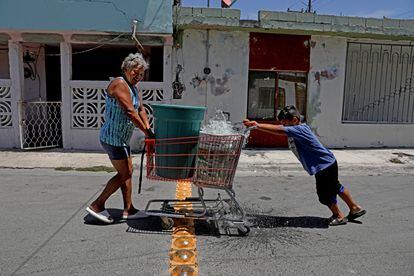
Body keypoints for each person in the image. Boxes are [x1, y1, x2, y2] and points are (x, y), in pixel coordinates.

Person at [243, 105, 366, 226]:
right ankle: (355, 208)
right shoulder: (299, 129)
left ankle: (338, 216)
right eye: (282, 122)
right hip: (328, 162)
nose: (284, 125)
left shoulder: (300, 129)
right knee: (335, 186)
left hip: (323, 166)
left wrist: (257, 125)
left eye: (285, 122)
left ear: (295, 120)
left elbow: (280, 130)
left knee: (324, 194)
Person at [86, 53, 154, 224]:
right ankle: (97, 204)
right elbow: (130, 111)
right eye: (135, 72)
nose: (138, 77)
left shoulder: (134, 88)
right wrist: (146, 133)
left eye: (141, 74)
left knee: (127, 172)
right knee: (125, 172)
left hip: (122, 139)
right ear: (125, 69)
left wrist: (148, 128)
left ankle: (128, 209)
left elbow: (140, 110)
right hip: (113, 138)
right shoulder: (119, 83)